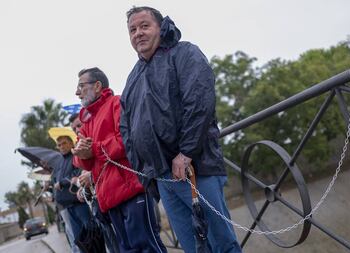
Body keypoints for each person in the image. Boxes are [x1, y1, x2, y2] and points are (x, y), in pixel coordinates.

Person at [120, 6, 242, 253]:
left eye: (145, 26)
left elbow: (200, 102)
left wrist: (186, 152)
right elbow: (127, 129)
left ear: (160, 26)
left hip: (196, 168)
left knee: (221, 244)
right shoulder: (133, 77)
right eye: (132, 30)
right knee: (193, 248)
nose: (138, 34)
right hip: (162, 178)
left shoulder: (184, 53)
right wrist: (145, 173)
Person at [72, 67, 167, 253]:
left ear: (97, 86)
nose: (77, 92)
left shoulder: (117, 103)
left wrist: (94, 149)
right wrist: (81, 154)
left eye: (81, 86)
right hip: (108, 198)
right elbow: (84, 161)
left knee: (147, 247)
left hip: (133, 190)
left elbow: (127, 140)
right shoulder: (86, 121)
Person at [69, 113, 120, 253]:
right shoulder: (79, 147)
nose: (77, 130)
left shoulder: (97, 136)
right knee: (111, 244)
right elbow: (86, 170)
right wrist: (83, 186)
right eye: (74, 129)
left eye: (79, 125)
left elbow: (112, 161)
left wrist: (91, 176)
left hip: (116, 197)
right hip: (98, 202)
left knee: (124, 243)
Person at [51, 134, 91, 253]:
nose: (61, 146)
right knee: (79, 239)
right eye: (59, 145)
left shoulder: (75, 156)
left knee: (90, 235)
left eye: (64, 143)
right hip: (68, 206)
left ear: (71, 143)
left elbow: (77, 172)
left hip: (79, 203)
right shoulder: (60, 162)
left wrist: (62, 182)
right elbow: (56, 178)